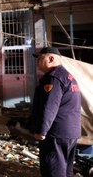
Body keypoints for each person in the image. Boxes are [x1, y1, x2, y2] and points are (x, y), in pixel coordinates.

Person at [30, 47, 81, 177]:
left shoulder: (53, 78)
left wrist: (42, 130)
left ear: (51, 59)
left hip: (56, 134)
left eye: (40, 59)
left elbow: (50, 106)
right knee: (65, 170)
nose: (37, 63)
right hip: (70, 133)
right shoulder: (67, 76)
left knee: (53, 171)